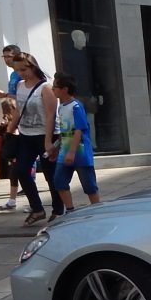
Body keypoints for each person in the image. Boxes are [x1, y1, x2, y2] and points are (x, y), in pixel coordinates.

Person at [6, 52, 59, 227]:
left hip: (45, 134)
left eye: (24, 69)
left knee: (51, 175)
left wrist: (48, 141)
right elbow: (18, 111)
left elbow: (51, 116)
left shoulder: (46, 88)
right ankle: (37, 209)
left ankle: (58, 210)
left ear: (33, 67)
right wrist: (9, 132)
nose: (21, 73)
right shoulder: (20, 85)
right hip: (26, 135)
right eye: (17, 70)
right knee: (21, 170)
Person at [50, 72, 101, 213]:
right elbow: (64, 132)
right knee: (59, 181)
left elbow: (79, 129)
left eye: (55, 87)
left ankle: (97, 210)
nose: (52, 90)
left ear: (65, 89)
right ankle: (70, 210)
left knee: (89, 185)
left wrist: (72, 152)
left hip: (80, 152)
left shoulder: (76, 107)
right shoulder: (61, 107)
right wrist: (56, 147)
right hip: (65, 151)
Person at [0, 97, 21, 210]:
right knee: (14, 176)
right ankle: (12, 201)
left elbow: (15, 138)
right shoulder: (12, 122)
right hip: (17, 155)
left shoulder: (13, 123)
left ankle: (14, 201)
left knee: (19, 177)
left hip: (17, 156)